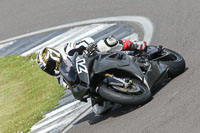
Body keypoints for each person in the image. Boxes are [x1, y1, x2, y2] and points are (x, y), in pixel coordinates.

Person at [36, 36, 147, 115]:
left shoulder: (67, 49)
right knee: (99, 110)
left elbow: (87, 40)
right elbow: (74, 87)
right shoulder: (61, 79)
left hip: (95, 60)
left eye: (50, 65)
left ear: (54, 57)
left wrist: (88, 47)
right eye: (47, 70)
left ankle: (134, 45)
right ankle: (119, 93)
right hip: (90, 82)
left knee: (105, 44)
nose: (51, 70)